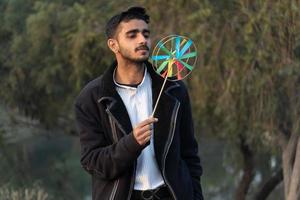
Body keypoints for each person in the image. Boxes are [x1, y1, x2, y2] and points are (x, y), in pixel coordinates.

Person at [74, 6, 204, 200]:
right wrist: (131, 143)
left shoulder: (173, 90)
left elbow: (190, 154)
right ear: (113, 45)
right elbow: (93, 162)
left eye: (145, 34)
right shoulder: (92, 98)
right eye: (132, 35)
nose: (143, 40)